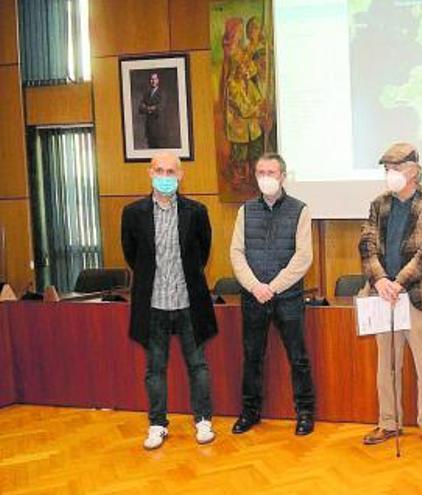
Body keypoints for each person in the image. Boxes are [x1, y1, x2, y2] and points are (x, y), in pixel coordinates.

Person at [121, 152, 217, 450]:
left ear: (180, 175)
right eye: (159, 170)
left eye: (171, 171)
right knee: (155, 369)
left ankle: (203, 421)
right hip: (153, 304)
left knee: (198, 365)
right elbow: (132, 255)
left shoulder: (196, 211)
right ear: (150, 173)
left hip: (189, 301)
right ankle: (157, 424)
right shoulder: (133, 213)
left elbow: (203, 252)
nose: (165, 176)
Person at [358, 142, 422, 449]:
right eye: (387, 169)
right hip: (383, 296)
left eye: (395, 168)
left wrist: (400, 282)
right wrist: (382, 280)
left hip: (419, 294)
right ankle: (388, 422)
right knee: (387, 364)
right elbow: (366, 245)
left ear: (413, 170)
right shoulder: (378, 203)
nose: (390, 174)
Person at [229, 152, 316, 436]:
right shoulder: (245, 210)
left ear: (283, 176)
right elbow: (236, 253)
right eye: (261, 173)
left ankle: (304, 413)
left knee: (298, 358)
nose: (266, 178)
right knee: (252, 356)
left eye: (272, 173)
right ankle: (250, 412)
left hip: (288, 297)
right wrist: (255, 286)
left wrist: (273, 286)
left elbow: (303, 257)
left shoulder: (300, 210)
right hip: (253, 296)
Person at [138, 72, 163, 148]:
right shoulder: (147, 94)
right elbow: (140, 108)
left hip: (158, 126)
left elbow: (160, 107)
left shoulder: (162, 93)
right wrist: (150, 108)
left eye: (155, 79)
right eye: (151, 79)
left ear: (158, 80)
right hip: (149, 126)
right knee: (150, 146)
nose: (153, 81)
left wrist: (147, 108)